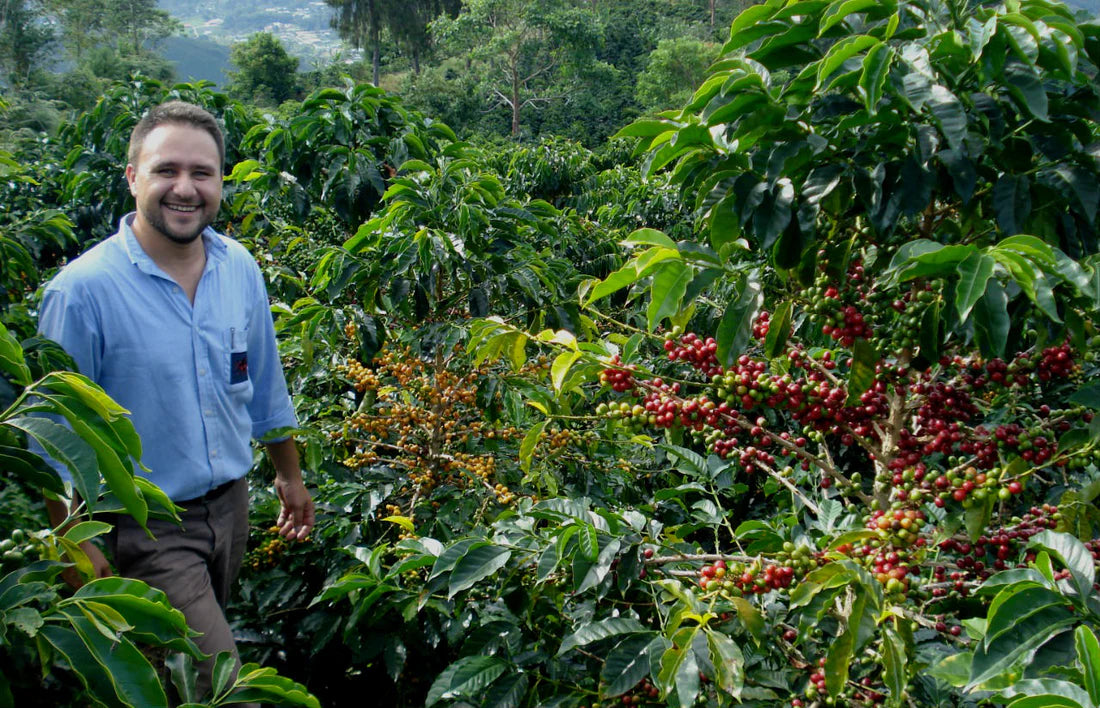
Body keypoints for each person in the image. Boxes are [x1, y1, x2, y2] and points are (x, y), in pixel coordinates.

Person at [38, 100, 315, 701]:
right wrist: (70, 539)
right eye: (166, 171)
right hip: (148, 525)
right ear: (133, 177)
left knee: (177, 679)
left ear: (221, 182)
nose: (185, 189)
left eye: (202, 173)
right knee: (222, 685)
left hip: (231, 507)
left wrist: (288, 476)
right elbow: (53, 436)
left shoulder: (237, 266)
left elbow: (263, 380)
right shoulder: (82, 293)